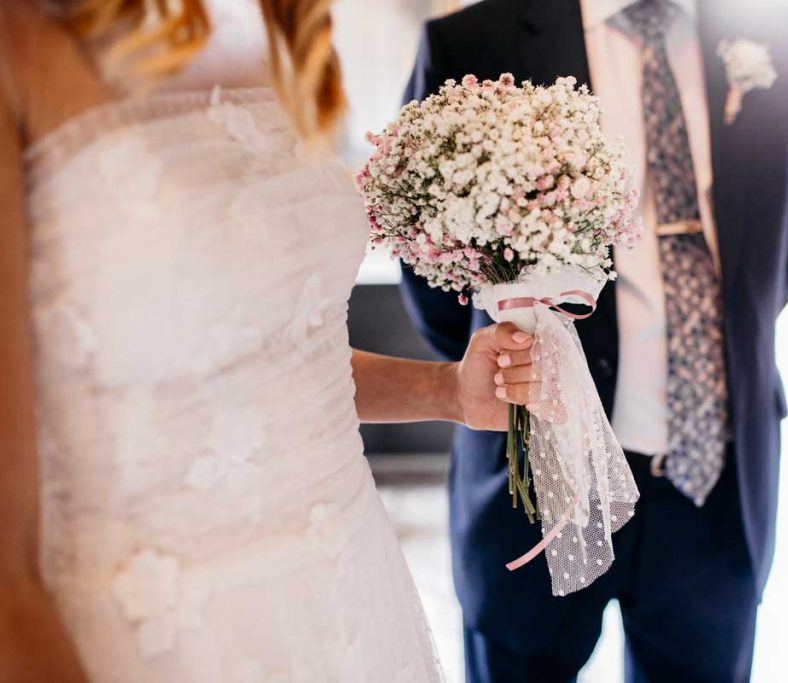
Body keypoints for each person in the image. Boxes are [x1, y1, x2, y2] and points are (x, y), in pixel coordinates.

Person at [0, 1, 537, 680]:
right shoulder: (19, 40)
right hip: (155, 636)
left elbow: (268, 357)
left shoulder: (282, 37)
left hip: (352, 601)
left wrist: (447, 391)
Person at [400, 0, 788, 680]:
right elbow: (436, 285)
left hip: (712, 479)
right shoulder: (472, 42)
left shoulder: (785, 35)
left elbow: (781, 253)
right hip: (537, 487)